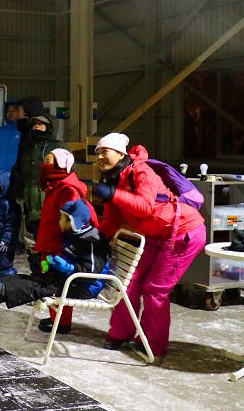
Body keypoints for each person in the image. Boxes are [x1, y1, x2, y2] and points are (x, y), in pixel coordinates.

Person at [93, 133, 206, 362]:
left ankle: (152, 343)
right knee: (129, 282)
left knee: (155, 289)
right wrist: (93, 238)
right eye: (98, 154)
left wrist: (114, 194)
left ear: (120, 154)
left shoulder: (141, 172)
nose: (100, 158)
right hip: (156, 235)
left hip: (183, 232)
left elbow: (144, 207)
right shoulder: (113, 179)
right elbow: (112, 221)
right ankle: (121, 332)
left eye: (104, 152)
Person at [0, 199, 109, 310]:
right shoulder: (75, 236)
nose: (59, 222)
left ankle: (2, 290)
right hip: (73, 280)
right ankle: (0, 285)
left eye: (62, 219)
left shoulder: (92, 241)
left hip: (85, 287)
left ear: (73, 222)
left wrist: (67, 267)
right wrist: (51, 265)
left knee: (42, 286)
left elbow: (90, 273)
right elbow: (71, 259)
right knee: (36, 278)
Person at [32, 148, 99, 334]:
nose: (44, 165)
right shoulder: (55, 186)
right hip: (49, 244)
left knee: (54, 282)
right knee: (48, 279)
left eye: (48, 161)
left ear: (61, 165)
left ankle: (61, 322)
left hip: (57, 247)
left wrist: (64, 245)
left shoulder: (67, 189)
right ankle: (57, 318)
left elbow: (73, 220)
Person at [12, 113, 63, 240]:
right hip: (30, 206)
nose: (36, 126)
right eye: (35, 124)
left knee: (51, 242)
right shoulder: (27, 147)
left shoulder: (57, 146)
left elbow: (68, 174)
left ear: (50, 127)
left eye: (41, 124)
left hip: (50, 206)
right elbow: (18, 171)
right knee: (37, 241)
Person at [0, 101, 22, 176]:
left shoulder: (23, 132)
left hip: (15, 176)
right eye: (8, 111)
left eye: (13, 110)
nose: (10, 113)